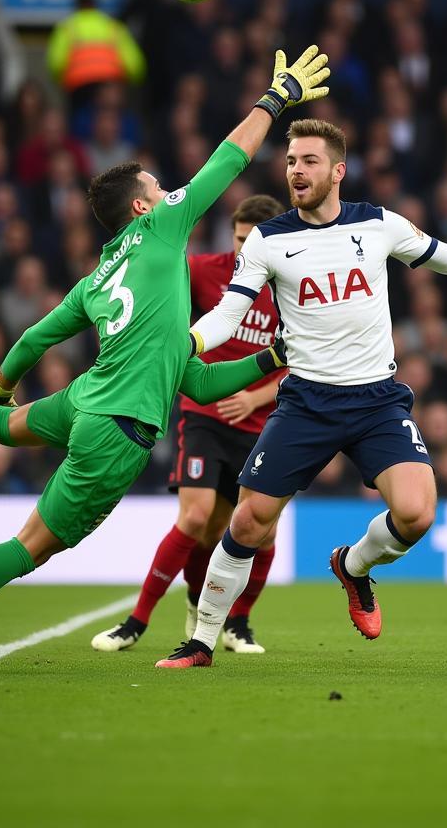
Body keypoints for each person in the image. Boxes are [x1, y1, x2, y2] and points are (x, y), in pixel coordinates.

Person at [0, 45, 331, 671]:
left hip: (85, 397)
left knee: (8, 421)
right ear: (142, 207)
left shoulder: (97, 276)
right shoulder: (164, 227)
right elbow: (230, 157)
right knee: (30, 548)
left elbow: (41, 345)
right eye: (159, 188)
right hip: (119, 431)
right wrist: (277, 97)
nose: (169, 190)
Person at [156, 117, 447, 669]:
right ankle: (201, 642)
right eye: (291, 160)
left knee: (417, 514)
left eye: (309, 161)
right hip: (306, 402)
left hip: (375, 401)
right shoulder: (270, 239)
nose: (296, 170)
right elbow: (229, 314)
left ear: (338, 170)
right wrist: (187, 343)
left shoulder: (377, 225)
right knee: (248, 522)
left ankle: (353, 567)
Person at [91, 193, 286, 655]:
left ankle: (236, 622)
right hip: (204, 416)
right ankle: (136, 621)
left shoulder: (291, 285)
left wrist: (255, 396)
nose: (242, 250)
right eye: (238, 239)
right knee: (196, 518)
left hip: (264, 424)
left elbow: (308, 357)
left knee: (253, 529)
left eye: (251, 241)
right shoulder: (202, 271)